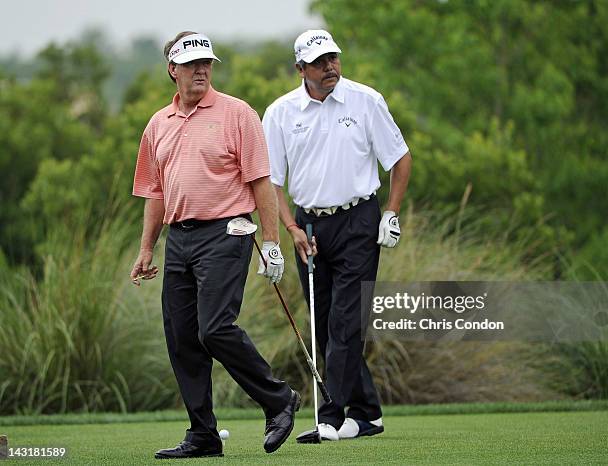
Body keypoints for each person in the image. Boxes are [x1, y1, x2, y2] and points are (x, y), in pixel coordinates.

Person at [130, 31, 299, 459]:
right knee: (182, 337)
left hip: (227, 232)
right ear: (173, 70)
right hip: (178, 239)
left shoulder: (237, 114)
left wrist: (272, 242)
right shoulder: (157, 124)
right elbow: (155, 192)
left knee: (215, 328)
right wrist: (147, 248)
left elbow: (261, 181)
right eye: (192, 65)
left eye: (207, 63)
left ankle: (278, 399)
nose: (202, 70)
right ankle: (203, 434)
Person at [262, 29, 412, 441]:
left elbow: (399, 159)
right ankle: (367, 414)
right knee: (328, 324)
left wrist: (391, 213)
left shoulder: (366, 100)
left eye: (333, 58)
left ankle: (329, 418)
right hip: (309, 227)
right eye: (318, 62)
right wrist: (290, 228)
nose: (329, 67)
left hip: (359, 222)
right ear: (300, 69)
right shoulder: (279, 113)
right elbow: (270, 181)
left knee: (346, 322)